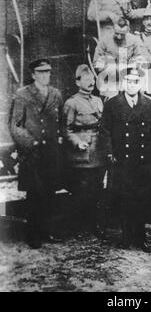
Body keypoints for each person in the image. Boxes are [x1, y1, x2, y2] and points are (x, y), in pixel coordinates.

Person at [101, 66, 151, 252]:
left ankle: (141, 238)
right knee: (125, 199)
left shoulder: (148, 103)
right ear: (123, 83)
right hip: (122, 161)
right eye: (128, 81)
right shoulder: (112, 103)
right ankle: (126, 238)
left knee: (142, 200)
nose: (132, 85)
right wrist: (110, 153)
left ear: (140, 83)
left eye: (136, 81)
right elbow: (105, 131)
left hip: (143, 161)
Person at [10, 58, 64, 249]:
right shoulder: (22, 94)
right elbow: (15, 126)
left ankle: (46, 231)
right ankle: (32, 234)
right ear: (33, 75)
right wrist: (30, 142)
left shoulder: (56, 94)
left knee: (49, 193)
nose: (45, 75)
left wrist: (60, 138)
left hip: (50, 152)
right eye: (41, 72)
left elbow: (62, 122)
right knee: (34, 194)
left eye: (48, 72)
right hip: (32, 153)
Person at [63, 64, 107, 236]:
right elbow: (66, 129)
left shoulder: (97, 101)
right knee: (81, 192)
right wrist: (77, 142)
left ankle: (92, 226)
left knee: (96, 191)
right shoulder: (71, 103)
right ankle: (77, 227)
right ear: (77, 82)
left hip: (98, 153)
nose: (91, 82)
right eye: (86, 79)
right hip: (81, 155)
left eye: (92, 79)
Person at [93, 17, 143, 100]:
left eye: (122, 34)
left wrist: (131, 67)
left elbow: (139, 58)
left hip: (127, 75)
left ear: (128, 31)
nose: (119, 37)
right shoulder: (104, 40)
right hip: (109, 77)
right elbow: (96, 62)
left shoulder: (134, 40)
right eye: (116, 33)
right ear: (113, 29)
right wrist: (108, 67)